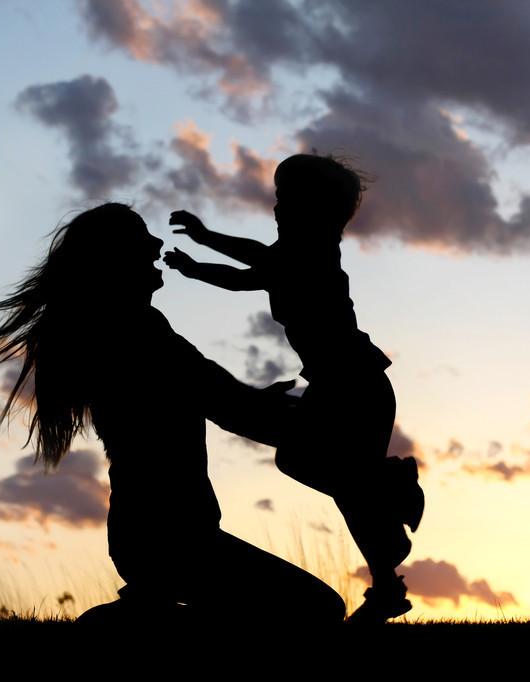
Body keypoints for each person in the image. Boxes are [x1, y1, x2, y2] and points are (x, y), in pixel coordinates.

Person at [0, 202, 345, 628]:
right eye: (140, 238)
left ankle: (145, 609)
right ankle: (126, 620)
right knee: (318, 611)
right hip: (173, 542)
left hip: (157, 539)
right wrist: (325, 429)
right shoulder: (136, 335)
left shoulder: (135, 327)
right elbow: (225, 404)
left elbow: (217, 395)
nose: (154, 243)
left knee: (294, 609)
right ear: (114, 259)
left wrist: (271, 408)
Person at [164, 153, 424, 623]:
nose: (277, 208)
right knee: (344, 484)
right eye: (278, 197)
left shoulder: (313, 252)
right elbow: (255, 267)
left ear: (316, 209)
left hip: (356, 387)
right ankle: (387, 561)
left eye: (286, 198)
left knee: (321, 470)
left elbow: (253, 269)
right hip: (340, 386)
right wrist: (201, 258)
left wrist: (201, 252)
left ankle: (387, 508)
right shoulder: (295, 253)